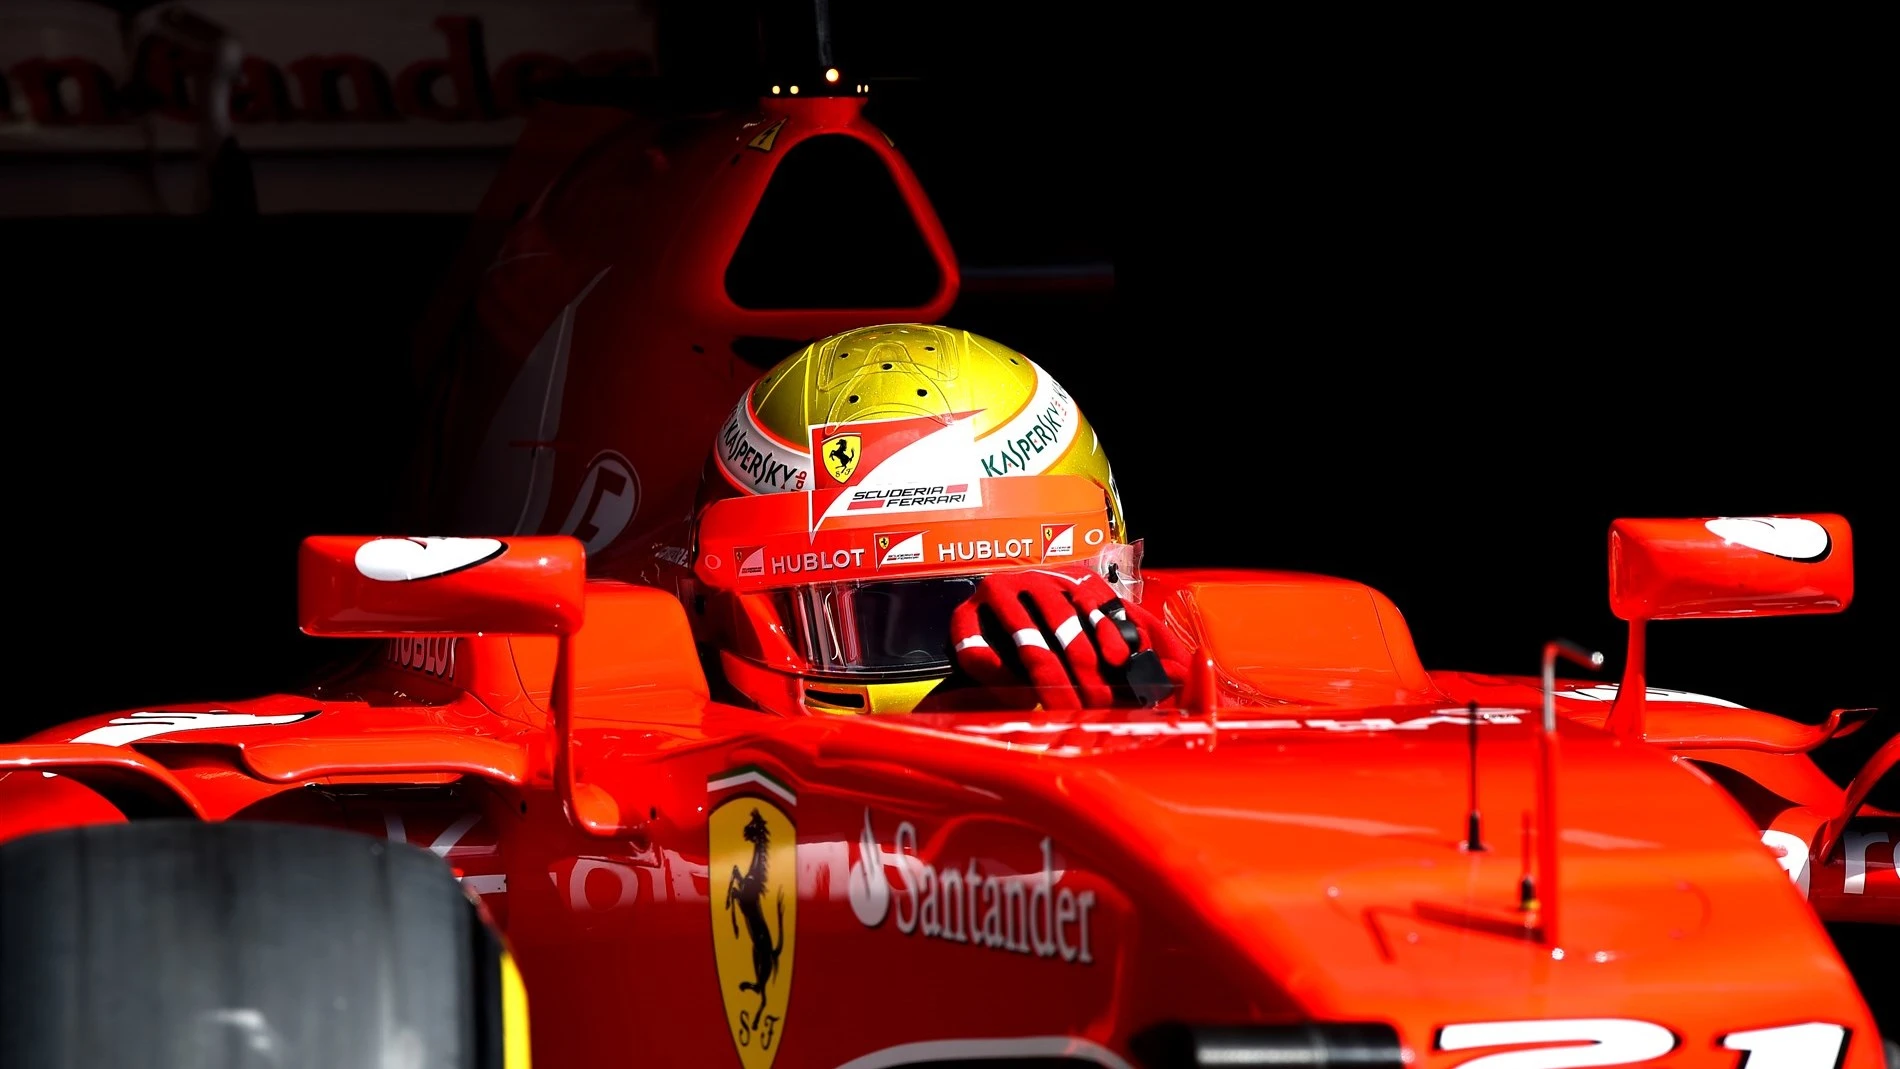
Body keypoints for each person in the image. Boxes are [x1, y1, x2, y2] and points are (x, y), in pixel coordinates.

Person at [599, 323, 1192, 714]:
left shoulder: (1187, 677)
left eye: (1000, 618)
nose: (947, 663)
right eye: (864, 617)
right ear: (715, 606)